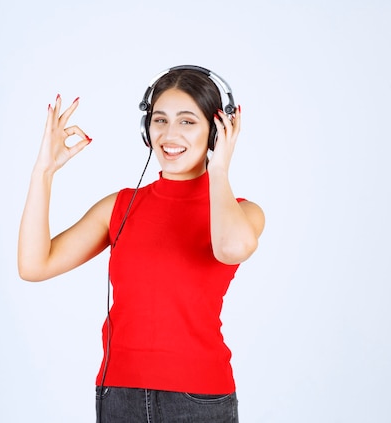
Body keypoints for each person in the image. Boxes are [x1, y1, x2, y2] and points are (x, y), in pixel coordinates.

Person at [18, 66, 265, 422]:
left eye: (188, 122)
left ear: (217, 132)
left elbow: (231, 248)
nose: (169, 134)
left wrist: (220, 170)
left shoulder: (243, 213)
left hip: (199, 400)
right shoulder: (119, 206)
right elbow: (34, 265)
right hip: (119, 396)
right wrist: (43, 172)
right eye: (159, 120)